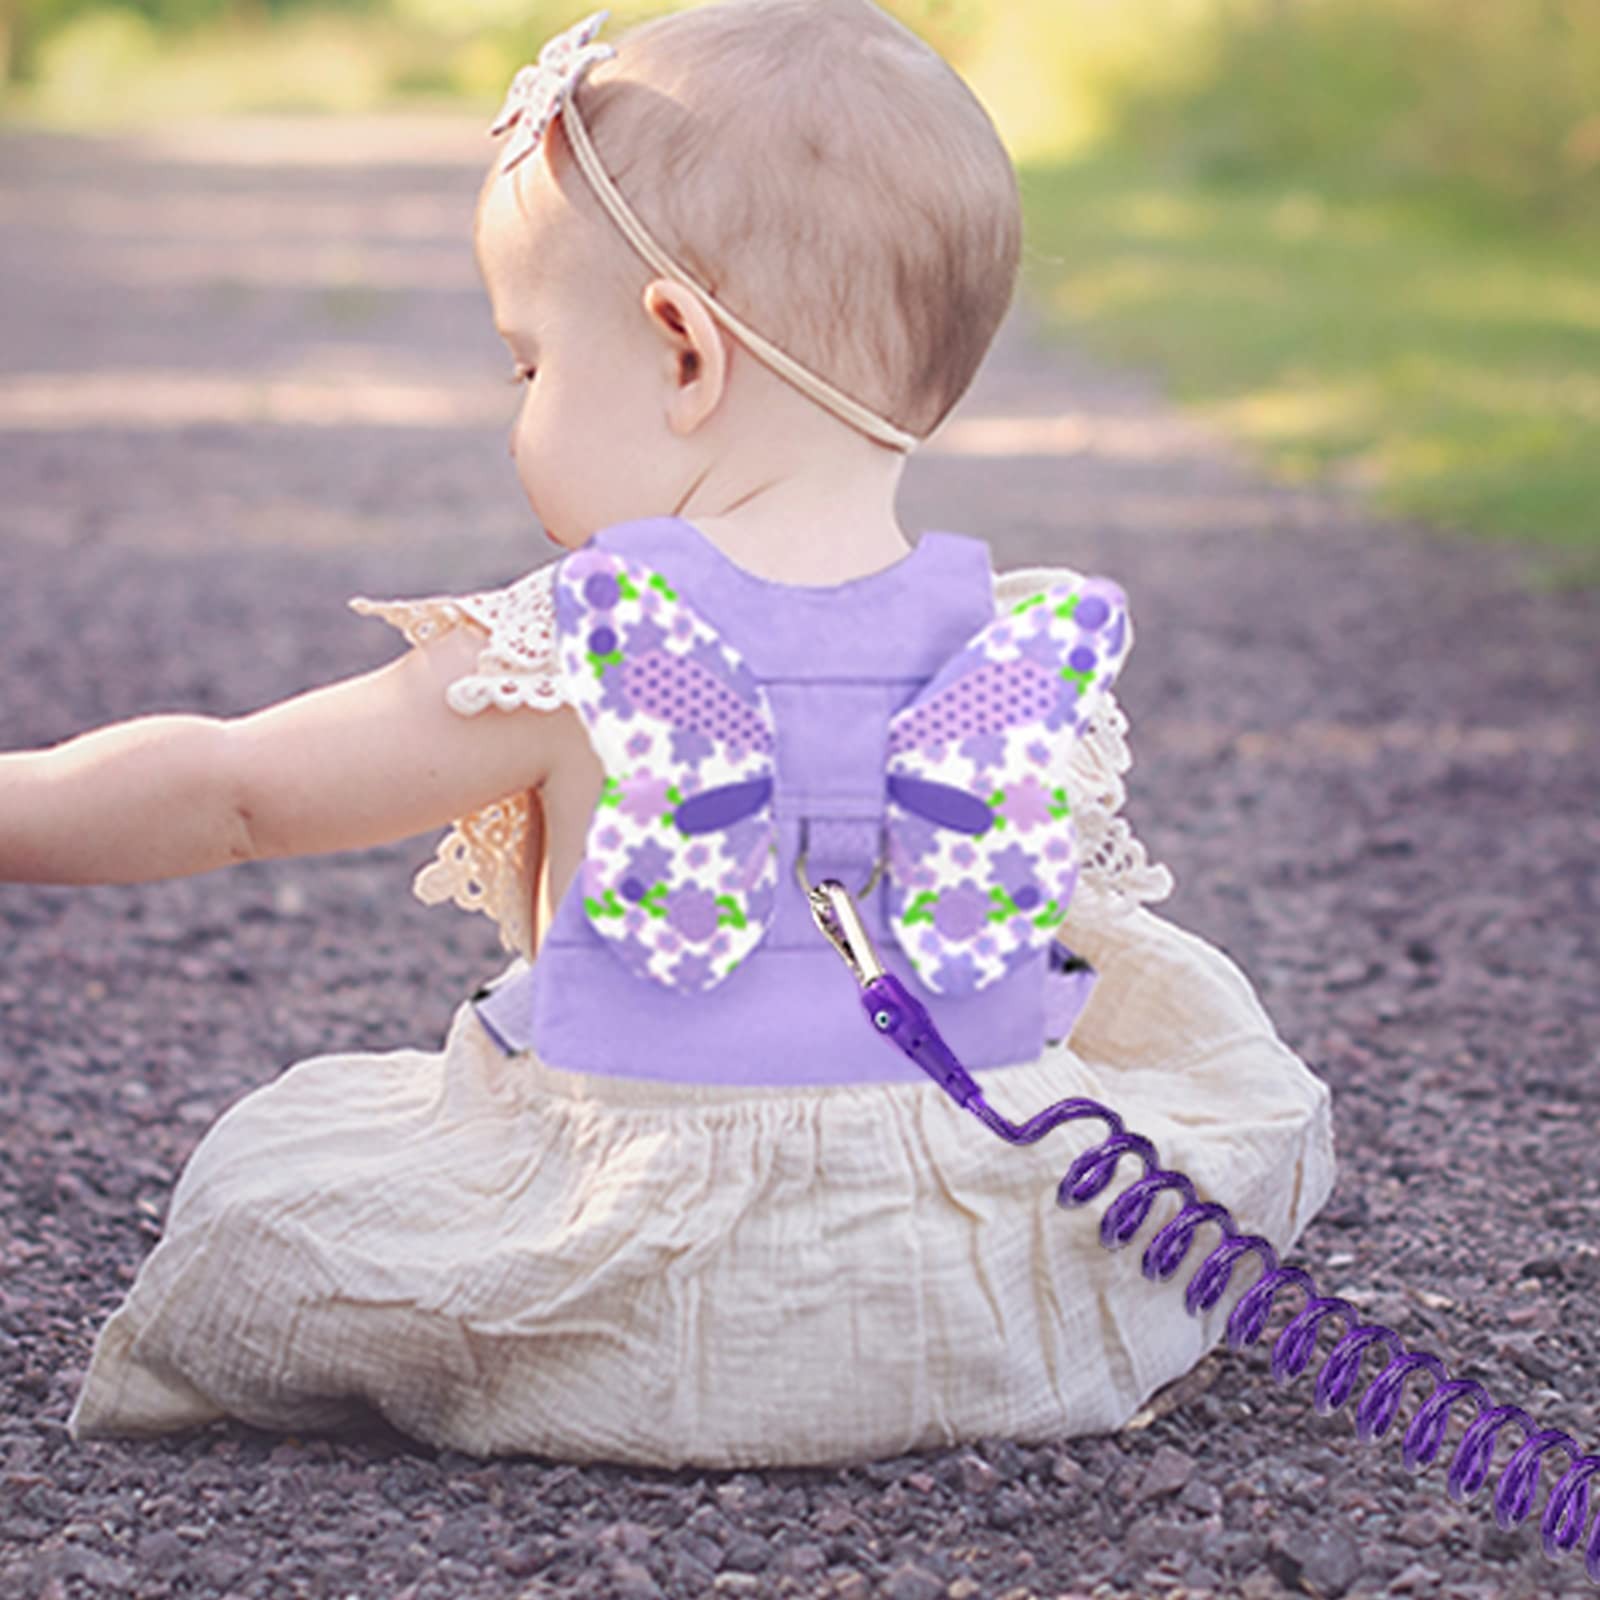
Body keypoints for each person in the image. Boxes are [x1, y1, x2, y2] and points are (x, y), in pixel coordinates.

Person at [0, 0, 1335, 1470]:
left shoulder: (591, 643)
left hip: (654, 1279)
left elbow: (234, 791)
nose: (518, 416)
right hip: (972, 1283)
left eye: (529, 367)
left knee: (276, 1192)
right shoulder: (1006, 638)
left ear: (682, 355)